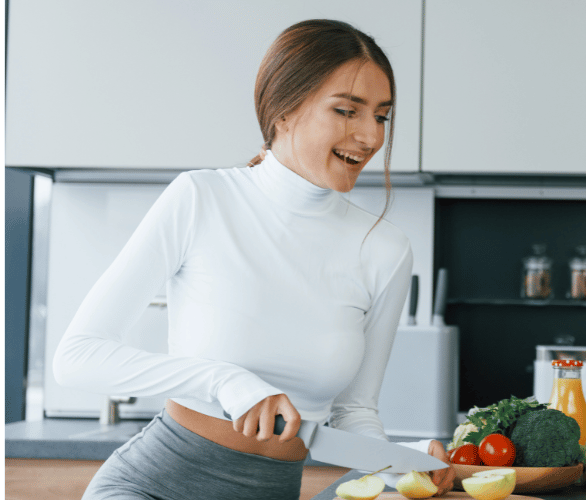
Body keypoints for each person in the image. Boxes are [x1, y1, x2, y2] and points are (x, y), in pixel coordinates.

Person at [53, 19, 455, 500]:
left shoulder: (385, 248)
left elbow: (352, 415)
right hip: (151, 487)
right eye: (348, 111)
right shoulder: (201, 198)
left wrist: (402, 461)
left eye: (382, 116)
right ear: (284, 111)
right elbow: (76, 357)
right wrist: (224, 380)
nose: (370, 137)